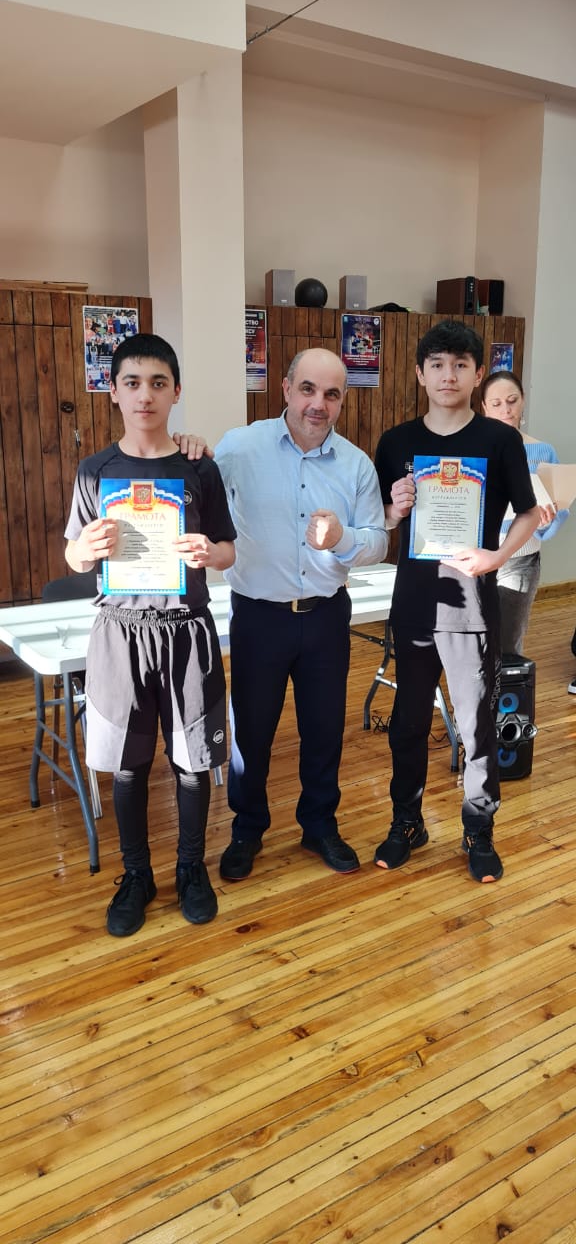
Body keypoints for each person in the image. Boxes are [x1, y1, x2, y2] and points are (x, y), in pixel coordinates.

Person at [178, 347, 388, 880]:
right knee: (251, 731)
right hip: (259, 617)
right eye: (308, 389)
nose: (318, 404)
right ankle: (247, 828)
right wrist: (189, 450)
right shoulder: (240, 446)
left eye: (331, 394)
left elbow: (378, 540)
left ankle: (319, 824)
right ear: (287, 389)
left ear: (342, 400)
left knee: (324, 729)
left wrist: (342, 539)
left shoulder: (356, 465)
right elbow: (196, 490)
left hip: (326, 617)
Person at [64, 334, 236, 937]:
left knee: (192, 763)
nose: (145, 395)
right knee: (128, 766)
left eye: (158, 383)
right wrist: (85, 550)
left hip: (186, 632)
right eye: (132, 383)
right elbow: (74, 554)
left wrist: (209, 552)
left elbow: (228, 549)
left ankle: (191, 867)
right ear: (113, 392)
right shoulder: (95, 470)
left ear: (176, 391)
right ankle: (136, 874)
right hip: (120, 634)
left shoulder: (198, 467)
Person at [373, 320, 540, 884]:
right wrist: (394, 510)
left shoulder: (499, 440)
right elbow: (380, 522)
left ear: (476, 373)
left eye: (460, 365)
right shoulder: (396, 442)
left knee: (476, 726)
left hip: (471, 607)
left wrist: (497, 556)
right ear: (421, 374)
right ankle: (406, 822)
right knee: (407, 723)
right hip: (414, 604)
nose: (449, 375)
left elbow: (529, 513)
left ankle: (478, 830)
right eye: (438, 365)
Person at [481, 370, 568, 656]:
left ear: (523, 400)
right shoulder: (471, 450)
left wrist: (545, 521)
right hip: (476, 558)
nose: (505, 410)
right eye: (496, 404)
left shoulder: (543, 452)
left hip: (521, 559)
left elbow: (558, 510)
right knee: (471, 643)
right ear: (483, 407)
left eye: (512, 401)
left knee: (508, 644)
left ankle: (505, 686)